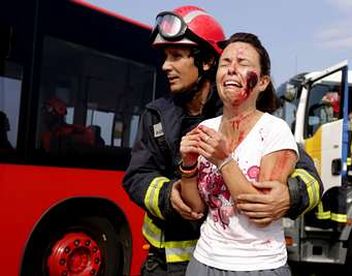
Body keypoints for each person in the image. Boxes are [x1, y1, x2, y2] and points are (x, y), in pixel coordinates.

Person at [123, 6, 321, 276]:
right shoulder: (156, 116)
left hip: (242, 263)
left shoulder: (245, 111)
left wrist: (290, 195)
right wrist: (169, 194)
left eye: (177, 56)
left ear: (206, 62)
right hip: (168, 262)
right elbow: (137, 176)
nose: (166, 66)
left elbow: (307, 174)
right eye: (166, 57)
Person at [180, 32, 296, 275]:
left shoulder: (275, 131)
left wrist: (223, 160)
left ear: (262, 82)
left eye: (242, 63)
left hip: (259, 266)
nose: (232, 69)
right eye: (225, 63)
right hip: (204, 261)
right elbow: (196, 208)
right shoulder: (205, 129)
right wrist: (188, 165)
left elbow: (261, 213)